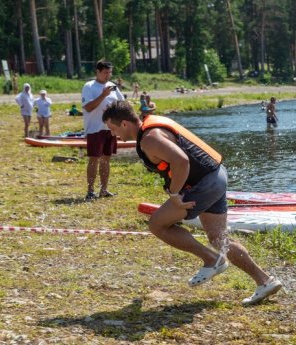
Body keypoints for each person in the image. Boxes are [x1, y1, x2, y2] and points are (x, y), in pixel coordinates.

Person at [102, 101, 283, 305]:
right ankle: (264, 280)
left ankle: (211, 259)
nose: (112, 133)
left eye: (113, 128)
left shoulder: (149, 139)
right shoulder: (153, 125)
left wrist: (174, 194)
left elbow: (181, 161)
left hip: (203, 184)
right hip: (216, 176)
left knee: (157, 225)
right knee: (218, 238)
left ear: (124, 124)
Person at [81, 59, 125, 201]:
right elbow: (88, 107)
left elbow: (122, 103)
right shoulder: (89, 86)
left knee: (106, 159)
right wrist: (103, 95)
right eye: (105, 72)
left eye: (110, 72)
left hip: (110, 129)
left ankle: (104, 190)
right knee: (94, 159)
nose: (108, 75)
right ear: (98, 72)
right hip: (95, 129)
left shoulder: (112, 86)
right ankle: (90, 191)